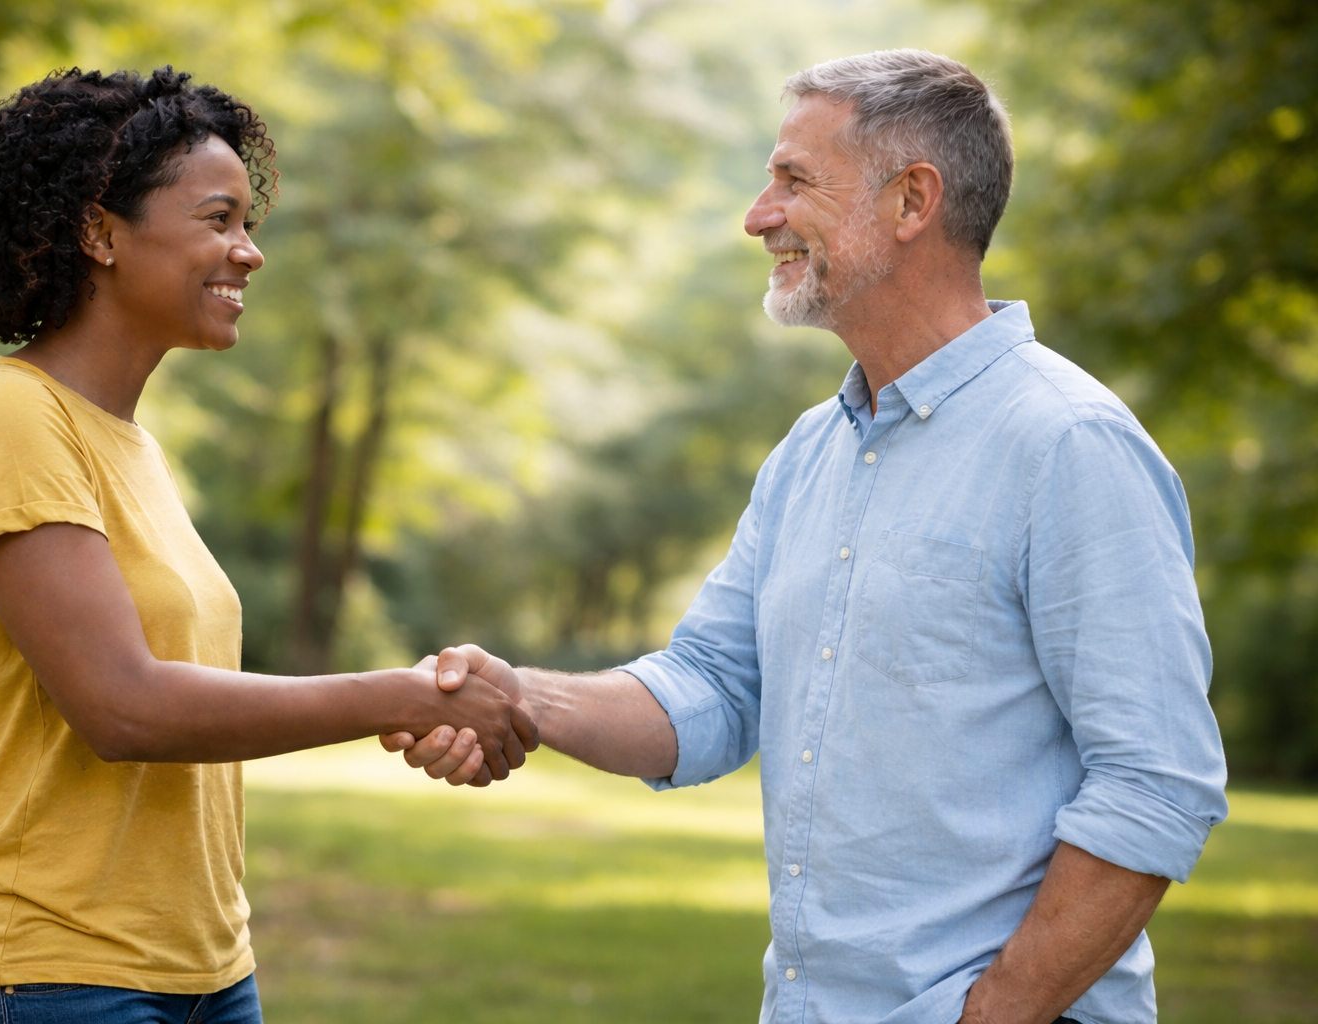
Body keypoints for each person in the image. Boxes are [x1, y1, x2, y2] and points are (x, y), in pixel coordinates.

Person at [384, 49, 1227, 1024]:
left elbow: (1157, 781)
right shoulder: (810, 452)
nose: (757, 215)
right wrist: (518, 695)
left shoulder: (1068, 445)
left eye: (792, 181)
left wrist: (994, 1014)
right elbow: (713, 686)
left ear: (913, 202)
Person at [0, 67, 535, 1023]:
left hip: (201, 975)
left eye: (249, 224)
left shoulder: (131, 447)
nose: (249, 253)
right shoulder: (8, 421)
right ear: (101, 232)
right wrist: (397, 695)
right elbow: (123, 708)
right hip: (45, 977)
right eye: (219, 219)